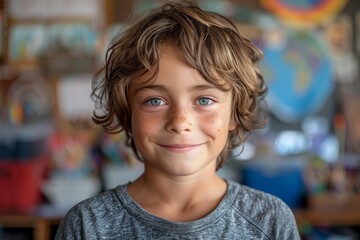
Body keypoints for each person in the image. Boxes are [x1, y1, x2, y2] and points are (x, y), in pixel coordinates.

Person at [55, 1, 300, 239]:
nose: (180, 122)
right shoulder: (88, 226)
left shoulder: (270, 221)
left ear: (234, 113)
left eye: (204, 100)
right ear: (127, 112)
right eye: (155, 101)